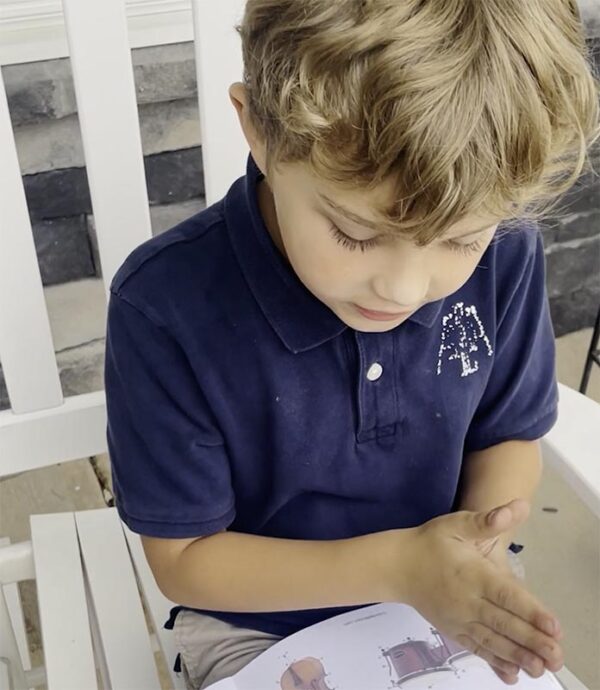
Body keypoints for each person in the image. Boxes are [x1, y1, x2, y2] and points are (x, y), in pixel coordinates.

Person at [103, 1, 600, 688]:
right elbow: (185, 559)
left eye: (457, 240)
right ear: (258, 131)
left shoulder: (505, 251)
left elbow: (509, 436)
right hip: (257, 620)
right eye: (356, 234)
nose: (403, 287)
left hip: (451, 579)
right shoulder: (165, 308)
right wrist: (398, 567)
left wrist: (479, 536)